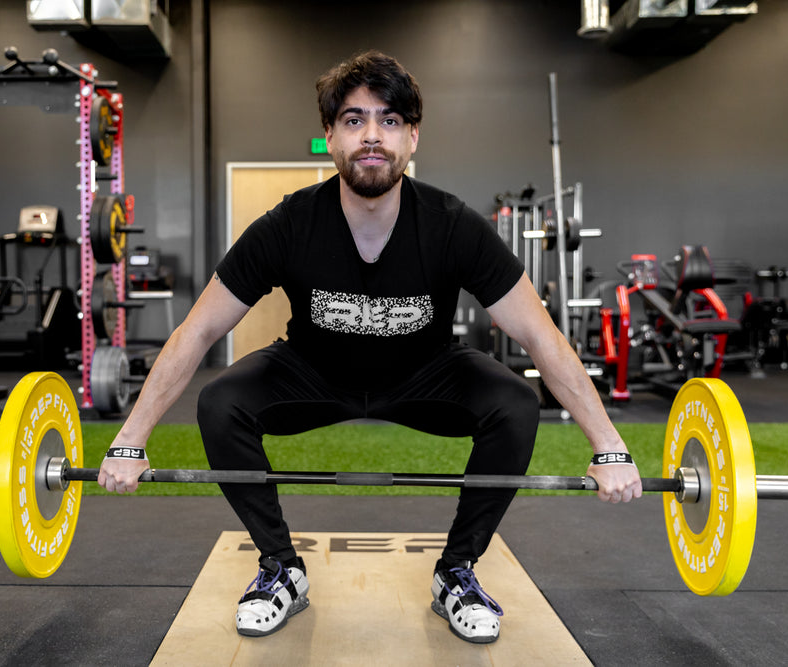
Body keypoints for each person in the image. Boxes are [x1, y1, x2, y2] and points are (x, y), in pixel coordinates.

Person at [98, 50, 642, 644]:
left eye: (389, 120)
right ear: (330, 135)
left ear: (413, 137)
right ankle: (282, 567)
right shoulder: (287, 226)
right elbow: (198, 331)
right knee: (221, 401)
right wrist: (130, 440)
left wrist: (609, 447)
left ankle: (457, 571)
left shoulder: (453, 225)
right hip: (312, 372)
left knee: (512, 402)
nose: (372, 136)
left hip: (425, 376)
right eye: (354, 120)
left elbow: (540, 335)